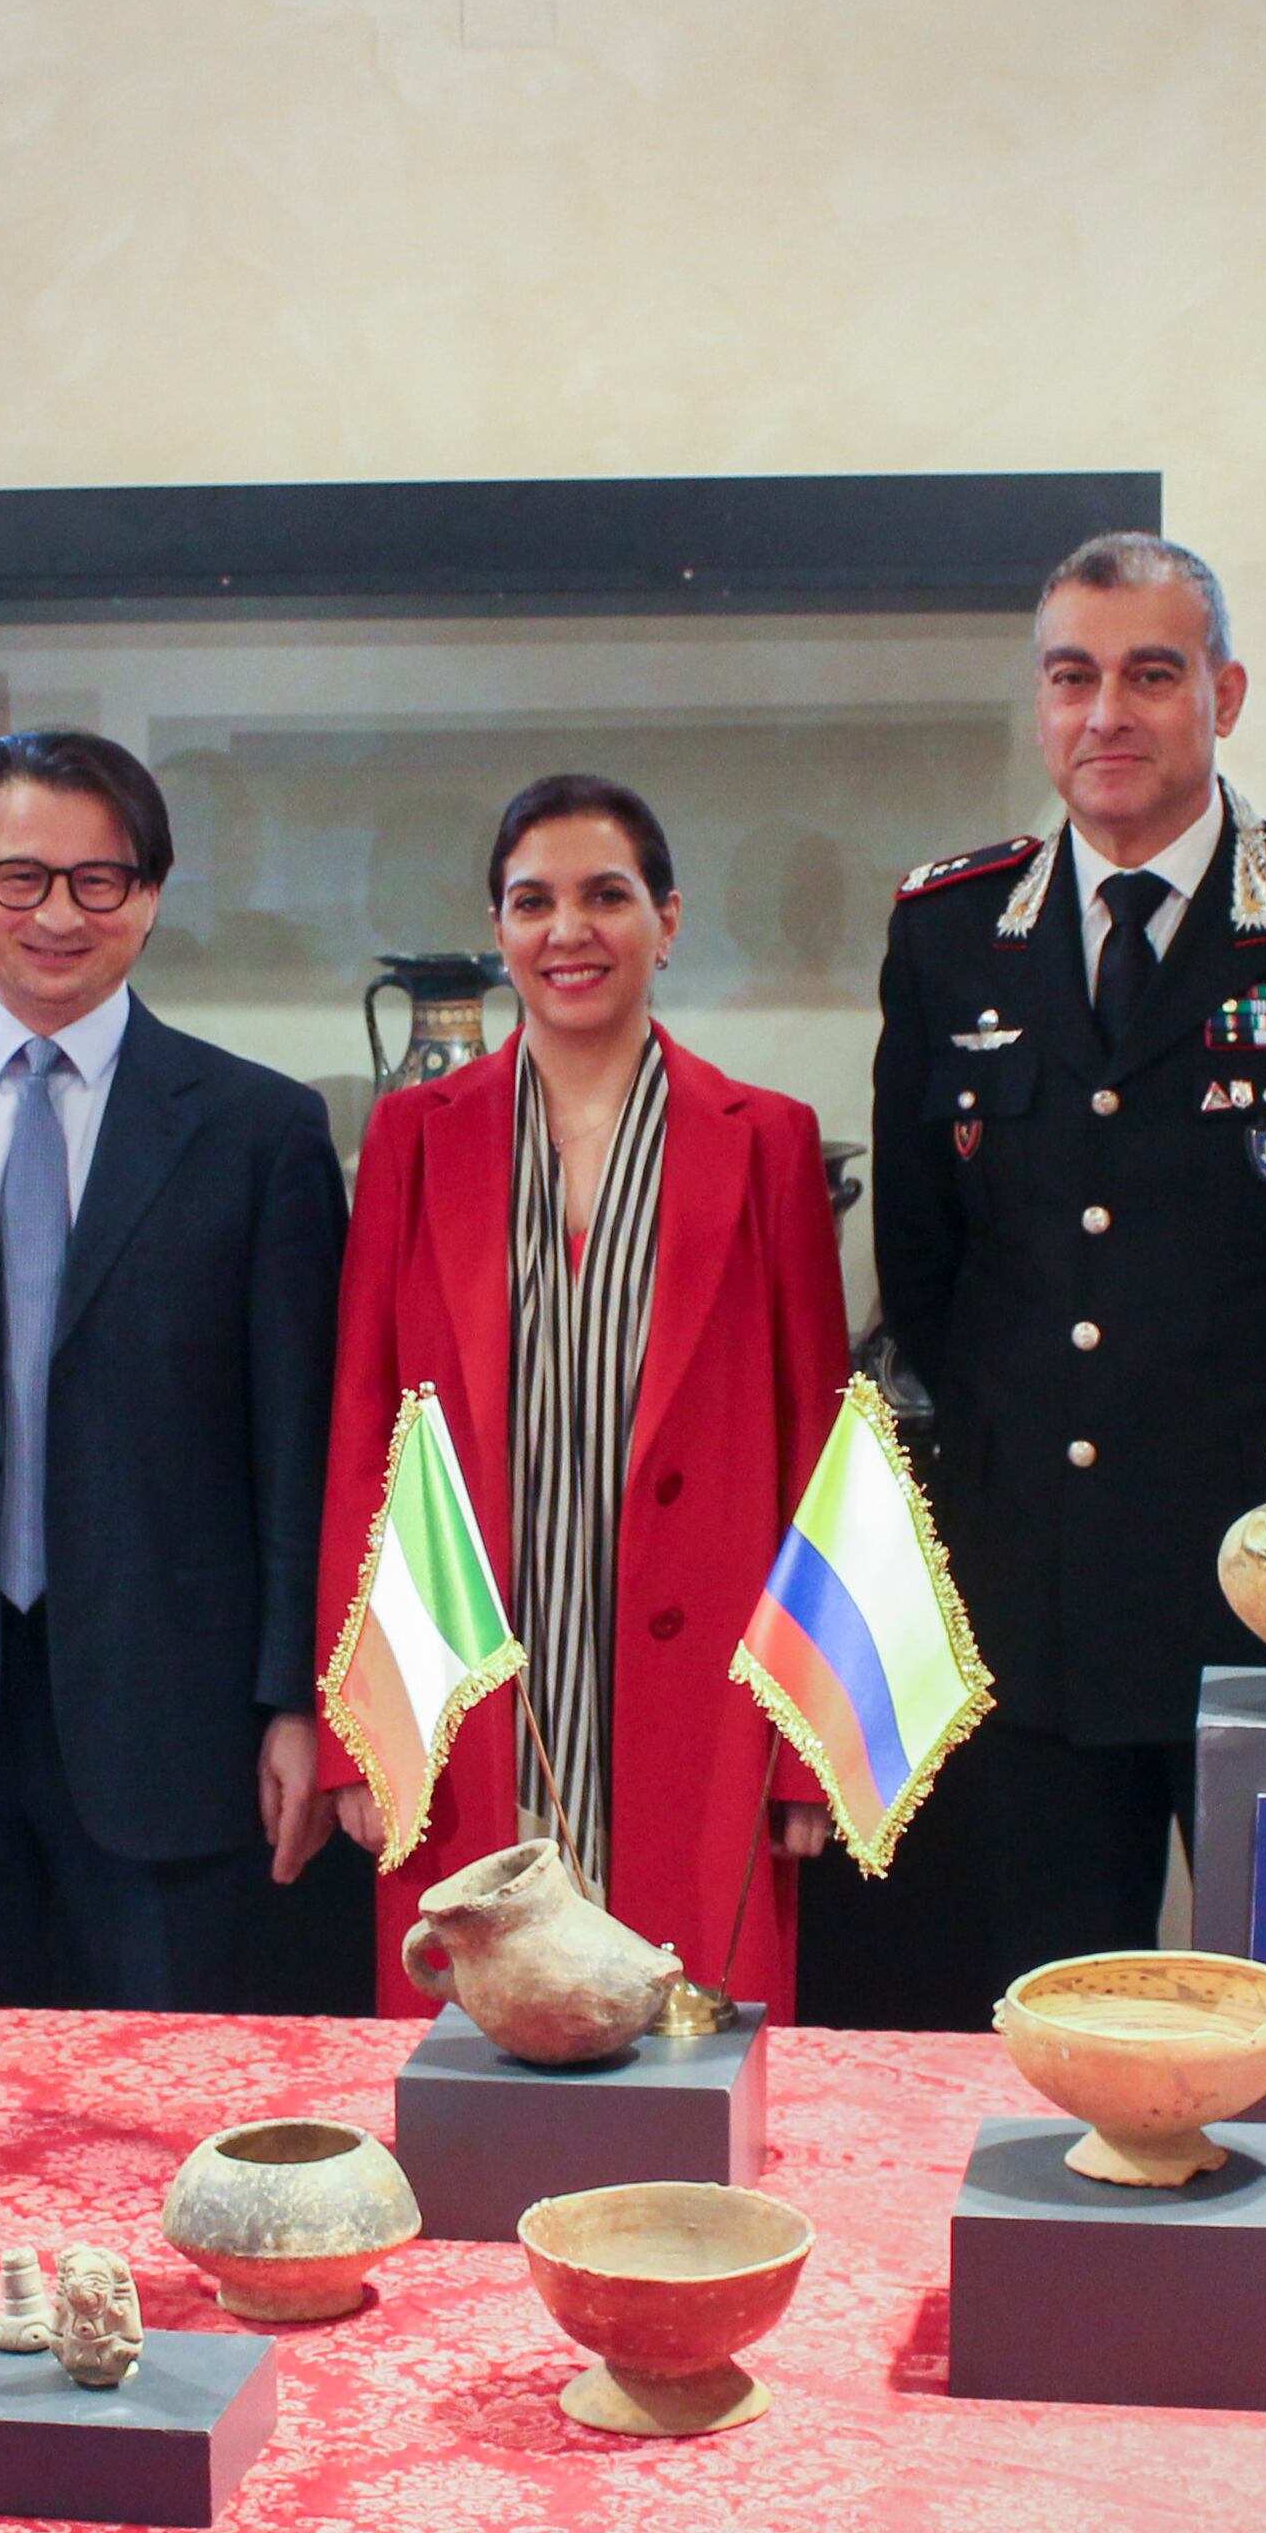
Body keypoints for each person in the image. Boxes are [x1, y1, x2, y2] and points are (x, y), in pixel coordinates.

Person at [824, 532, 1266, 2028]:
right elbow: (928, 1269)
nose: (1106, 715)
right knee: (1065, 2028)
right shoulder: (951, 932)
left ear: (1224, 694)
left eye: (1150, 674)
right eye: (1072, 678)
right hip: (1043, 1601)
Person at [0, 732, 347, 2014]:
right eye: (21, 877)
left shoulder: (256, 1134)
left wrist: (297, 1701)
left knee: (165, 2088)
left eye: (98, 881)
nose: (56, 916)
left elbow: (298, 1446)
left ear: (149, 896)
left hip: (173, 1716)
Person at [302, 775, 852, 2014]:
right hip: (466, 1685)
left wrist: (808, 1747)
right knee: (472, 2054)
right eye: (532, 901)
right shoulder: (413, 1137)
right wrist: (354, 1724)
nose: (569, 931)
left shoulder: (764, 1140)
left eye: (606, 896)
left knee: (685, 2056)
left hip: (705, 1699)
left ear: (667, 919)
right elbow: (360, 1440)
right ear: (497, 929)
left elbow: (819, 1453)